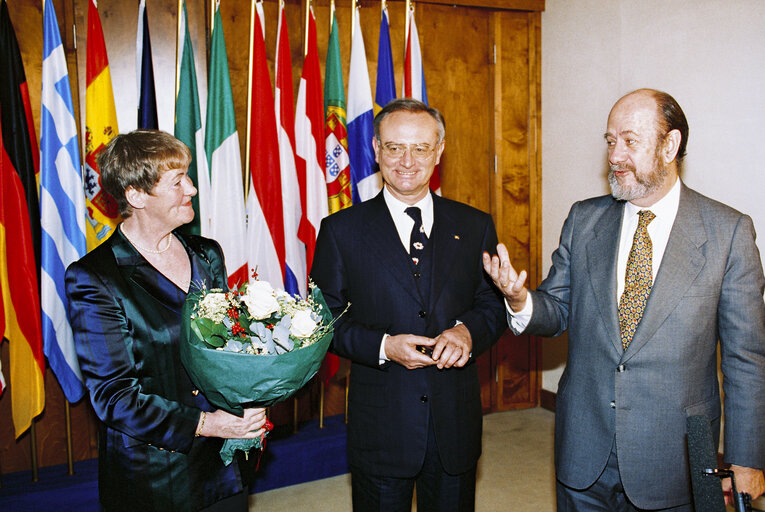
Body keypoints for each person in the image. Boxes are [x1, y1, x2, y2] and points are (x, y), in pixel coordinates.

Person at [483, 89, 765, 511]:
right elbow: (557, 310)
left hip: (675, 456)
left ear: (670, 145)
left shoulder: (728, 233)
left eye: (630, 141)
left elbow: (747, 358)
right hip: (584, 445)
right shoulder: (584, 219)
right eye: (610, 141)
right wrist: (521, 300)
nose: (615, 155)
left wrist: (746, 459)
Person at [311, 98, 506, 511]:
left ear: (440, 151)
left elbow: (492, 304)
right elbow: (323, 321)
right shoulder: (340, 231)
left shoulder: (474, 225)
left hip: (454, 421)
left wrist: (467, 331)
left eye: (420, 148)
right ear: (376, 150)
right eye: (395, 147)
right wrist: (383, 346)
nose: (407, 161)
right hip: (381, 423)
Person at [65, 130, 267, 511]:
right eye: (178, 181)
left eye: (188, 176)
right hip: (156, 473)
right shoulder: (95, 277)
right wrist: (209, 424)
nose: (191, 188)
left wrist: (255, 395)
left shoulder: (207, 254)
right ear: (136, 195)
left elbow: (232, 349)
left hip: (225, 462)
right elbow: (114, 397)